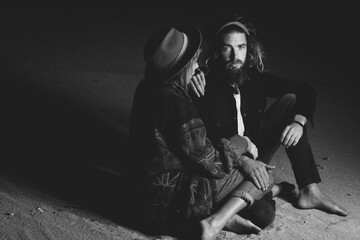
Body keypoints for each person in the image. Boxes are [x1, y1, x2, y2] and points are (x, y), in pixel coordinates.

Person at [128, 24, 288, 240]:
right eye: (193, 63)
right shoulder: (179, 105)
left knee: (256, 191)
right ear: (182, 68)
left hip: (139, 199)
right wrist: (241, 143)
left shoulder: (147, 88)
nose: (197, 68)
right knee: (265, 174)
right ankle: (215, 222)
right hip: (170, 207)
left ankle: (225, 215)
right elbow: (210, 163)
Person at [190, 12, 349, 217]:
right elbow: (204, 142)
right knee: (261, 214)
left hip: (257, 151)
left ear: (249, 49)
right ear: (217, 52)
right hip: (229, 162)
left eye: (241, 47)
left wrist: (299, 122)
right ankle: (274, 190)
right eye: (226, 47)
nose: (235, 55)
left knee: (292, 100)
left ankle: (309, 190)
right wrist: (193, 77)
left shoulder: (254, 79)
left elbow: (306, 90)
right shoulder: (204, 84)